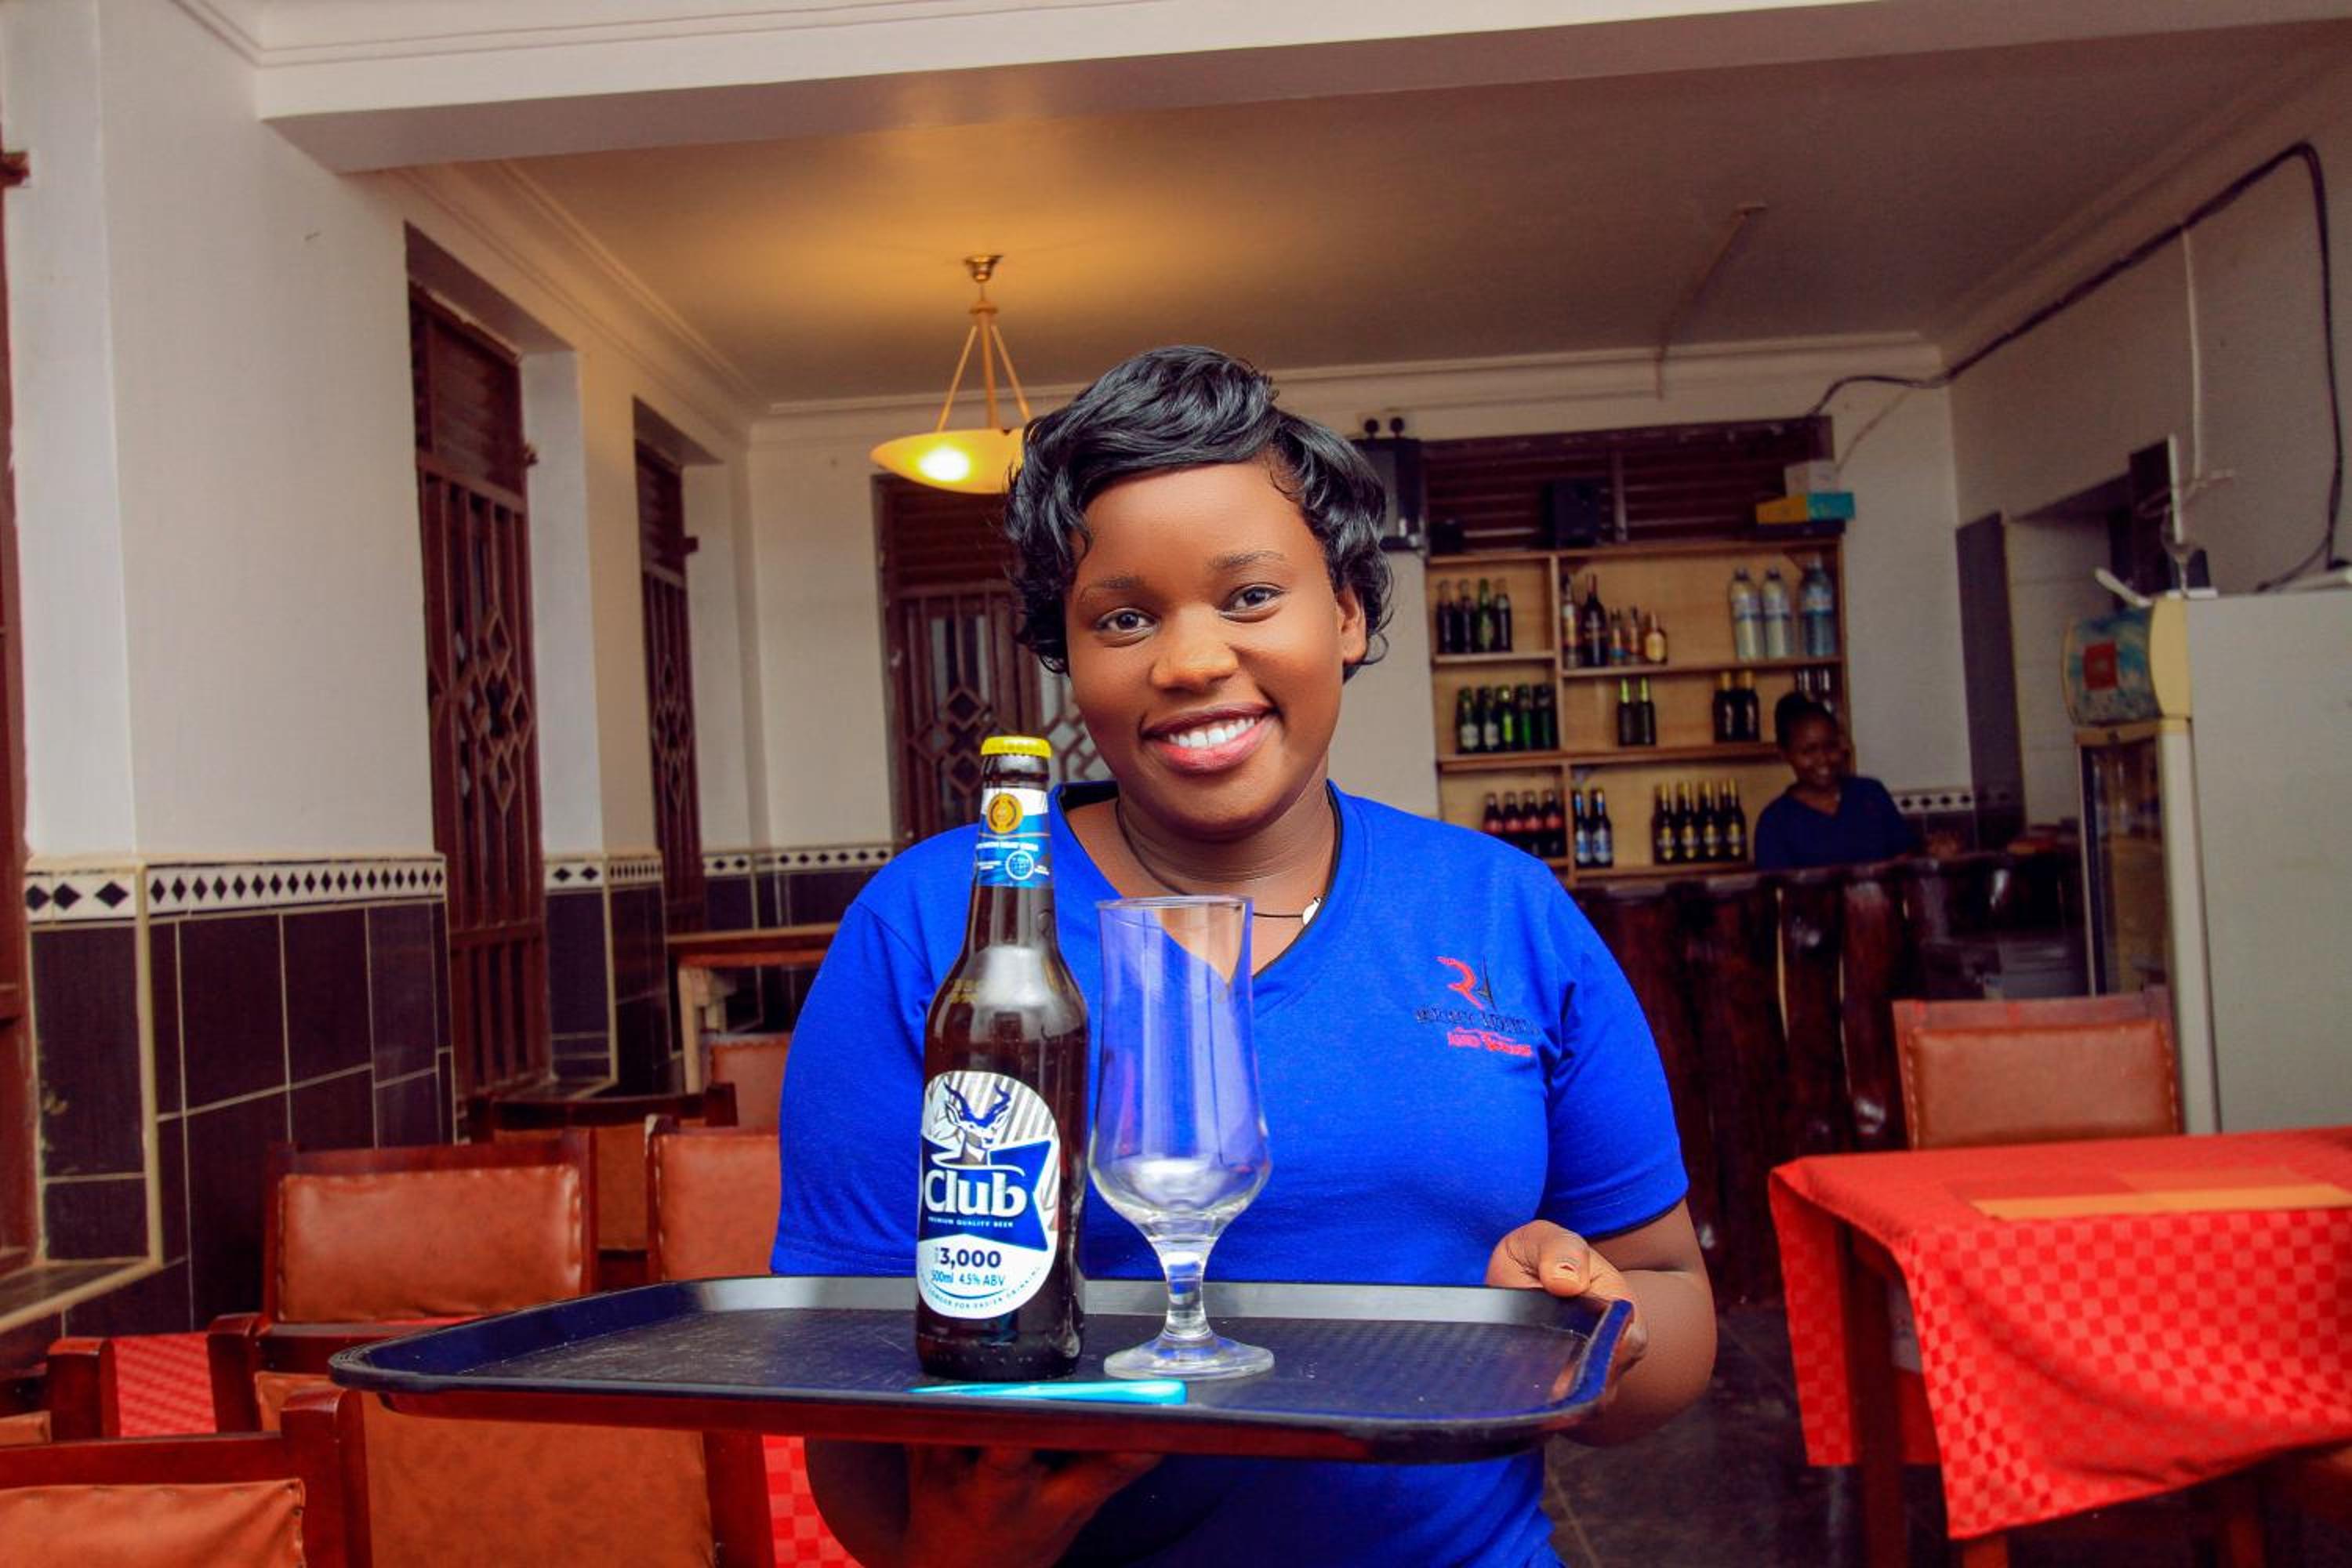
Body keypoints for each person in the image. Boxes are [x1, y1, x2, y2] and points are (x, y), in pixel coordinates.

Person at [771, 346, 1715, 1568]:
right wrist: (966, 1549)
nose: (1190, 660)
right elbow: (841, 1388)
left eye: (1251, 596)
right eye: (1124, 617)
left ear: (1349, 614)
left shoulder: (1503, 912)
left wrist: (1594, 1328)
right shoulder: (935, 925)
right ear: (1068, 656)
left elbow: (1666, 1295)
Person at [1750, 692, 1923, 871]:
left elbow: (1905, 865)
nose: (1823, 759)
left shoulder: (1870, 794)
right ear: (1785, 754)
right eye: (1809, 751)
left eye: (1831, 746)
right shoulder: (1775, 822)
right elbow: (1778, 886)